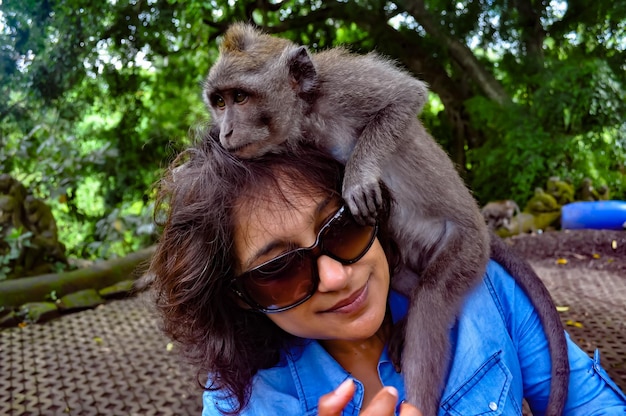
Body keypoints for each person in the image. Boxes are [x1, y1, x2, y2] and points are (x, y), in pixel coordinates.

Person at [148, 131, 626, 415]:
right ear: (238, 294)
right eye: (279, 268)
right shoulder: (243, 396)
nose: (336, 277)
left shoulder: (482, 290)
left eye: (342, 227)